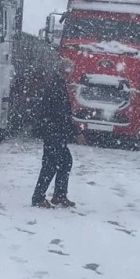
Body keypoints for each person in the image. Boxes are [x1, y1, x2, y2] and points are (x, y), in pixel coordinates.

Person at [31, 67, 84, 208]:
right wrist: (76, 131)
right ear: (63, 72)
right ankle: (39, 197)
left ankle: (59, 195)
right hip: (54, 131)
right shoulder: (57, 87)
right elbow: (62, 114)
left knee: (64, 162)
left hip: (54, 131)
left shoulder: (56, 85)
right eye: (68, 73)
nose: (69, 76)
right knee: (51, 164)